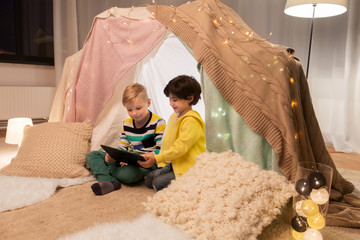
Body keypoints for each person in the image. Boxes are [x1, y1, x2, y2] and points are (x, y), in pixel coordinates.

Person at [87, 83, 166, 195]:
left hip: (146, 164)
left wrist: (148, 158)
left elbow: (161, 149)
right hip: (129, 159)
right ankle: (108, 180)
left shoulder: (158, 123)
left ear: (148, 103)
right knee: (93, 155)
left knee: (129, 176)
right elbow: (123, 146)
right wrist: (116, 156)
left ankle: (106, 175)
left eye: (138, 108)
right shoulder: (127, 123)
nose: (134, 113)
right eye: (130, 110)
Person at [139, 75, 206, 191]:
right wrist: (156, 156)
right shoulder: (175, 116)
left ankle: (193, 181)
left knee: (157, 184)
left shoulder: (191, 121)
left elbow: (180, 148)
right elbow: (168, 140)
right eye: (170, 99)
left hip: (189, 166)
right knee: (148, 179)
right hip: (176, 162)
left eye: (174, 100)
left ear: (190, 98)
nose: (171, 103)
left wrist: (157, 158)